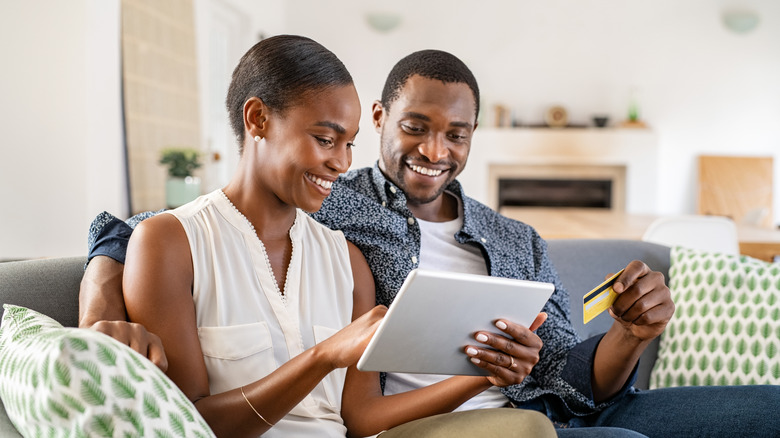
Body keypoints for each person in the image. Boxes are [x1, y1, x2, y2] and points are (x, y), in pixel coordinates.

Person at [81, 48, 779, 437]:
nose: (435, 150)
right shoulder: (333, 200)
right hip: (445, 425)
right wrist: (100, 304)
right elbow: (137, 229)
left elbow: (569, 374)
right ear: (383, 119)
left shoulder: (517, 239)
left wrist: (629, 333)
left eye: (457, 134)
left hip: (546, 407)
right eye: (415, 126)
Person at [82, 36, 555, 438]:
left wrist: (485, 374)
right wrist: (323, 357)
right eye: (325, 139)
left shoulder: (348, 261)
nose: (343, 162)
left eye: (349, 144)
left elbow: (363, 417)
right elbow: (189, 424)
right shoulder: (169, 243)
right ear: (258, 119)